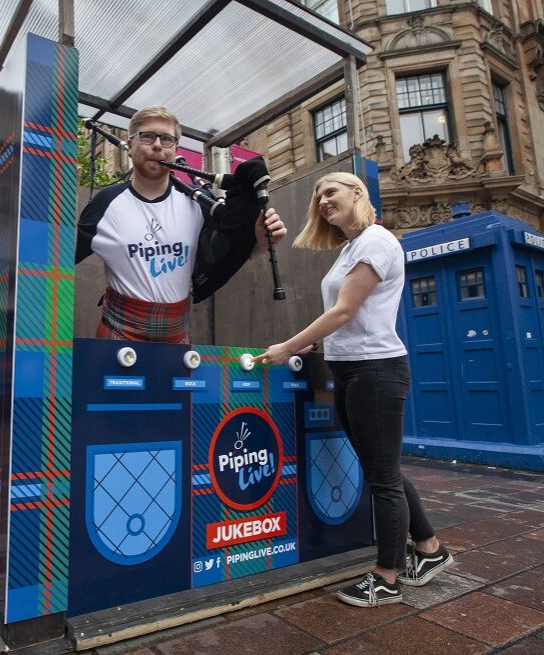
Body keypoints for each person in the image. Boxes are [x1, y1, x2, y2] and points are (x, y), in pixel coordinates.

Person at [252, 172, 452, 607]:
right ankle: (431, 550)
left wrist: (288, 346)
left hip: (375, 370)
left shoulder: (377, 241)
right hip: (349, 369)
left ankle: (387, 578)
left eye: (331, 191)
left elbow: (344, 311)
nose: (322, 200)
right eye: (318, 196)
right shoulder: (350, 248)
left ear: (358, 193)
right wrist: (298, 346)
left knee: (382, 476)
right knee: (385, 469)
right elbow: (343, 321)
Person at [76, 105, 286, 342]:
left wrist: (260, 242)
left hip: (176, 335)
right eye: (147, 137)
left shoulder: (197, 202)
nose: (157, 145)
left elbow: (224, 254)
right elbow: (61, 259)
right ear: (130, 145)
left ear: (175, 149)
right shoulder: (105, 203)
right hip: (117, 331)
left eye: (166, 139)